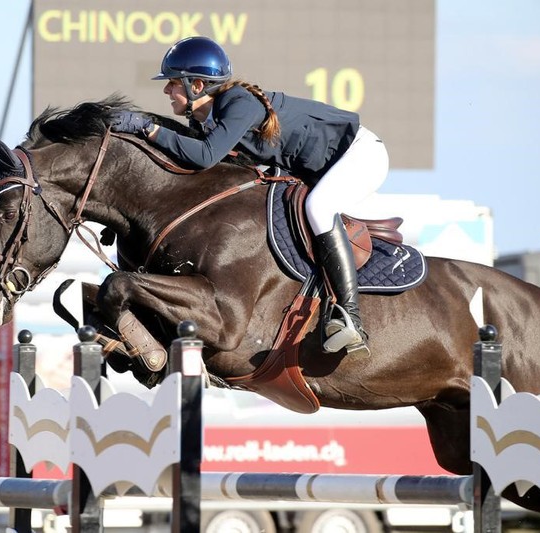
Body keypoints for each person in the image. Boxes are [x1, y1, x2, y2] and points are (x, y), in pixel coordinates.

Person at [110, 36, 389, 358]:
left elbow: (204, 157)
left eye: (172, 83)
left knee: (318, 207)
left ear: (197, 85)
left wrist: (149, 129)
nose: (166, 91)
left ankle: (349, 315)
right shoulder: (207, 119)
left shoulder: (238, 103)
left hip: (359, 156)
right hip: (320, 169)